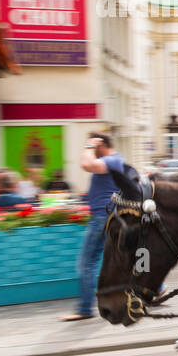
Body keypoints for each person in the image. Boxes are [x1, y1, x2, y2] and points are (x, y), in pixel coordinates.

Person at [62, 132, 126, 321]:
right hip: (105, 216)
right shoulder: (111, 161)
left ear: (101, 145)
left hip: (102, 217)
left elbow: (86, 164)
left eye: (92, 146)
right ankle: (156, 288)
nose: (88, 149)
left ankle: (84, 309)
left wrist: (89, 145)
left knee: (86, 263)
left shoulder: (112, 160)